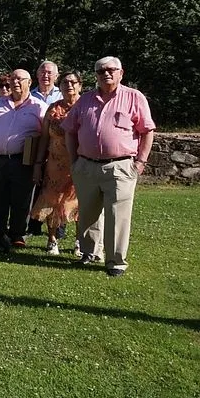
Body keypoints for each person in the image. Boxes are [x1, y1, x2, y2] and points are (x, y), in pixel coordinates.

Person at [62, 57, 155, 277]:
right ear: (95, 75)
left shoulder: (134, 97)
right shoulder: (85, 100)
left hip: (120, 166)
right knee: (87, 213)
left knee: (118, 215)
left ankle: (116, 262)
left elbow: (147, 131)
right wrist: (74, 161)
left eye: (111, 70)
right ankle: (89, 253)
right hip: (86, 166)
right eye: (101, 70)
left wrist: (140, 162)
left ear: (121, 72)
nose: (106, 74)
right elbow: (70, 130)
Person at [0, 69, 48, 251]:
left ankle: (17, 234)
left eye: (20, 79)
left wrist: (38, 164)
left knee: (22, 198)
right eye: (12, 79)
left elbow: (44, 137)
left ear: (29, 82)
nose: (15, 82)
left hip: (23, 160)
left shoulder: (38, 106)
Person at [30, 71, 82, 256]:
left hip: (78, 162)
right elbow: (44, 138)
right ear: (60, 87)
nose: (69, 86)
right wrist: (38, 163)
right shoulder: (53, 109)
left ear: (80, 85)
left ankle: (79, 241)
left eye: (73, 82)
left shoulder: (85, 107)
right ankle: (52, 240)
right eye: (65, 83)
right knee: (52, 200)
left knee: (78, 202)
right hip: (54, 163)